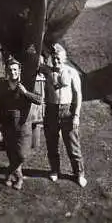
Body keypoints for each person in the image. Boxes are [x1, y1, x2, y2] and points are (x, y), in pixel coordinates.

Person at [42, 43, 87, 187]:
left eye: (59, 59)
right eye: (54, 58)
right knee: (52, 143)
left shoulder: (71, 72)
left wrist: (76, 115)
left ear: (65, 58)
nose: (56, 61)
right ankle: (55, 170)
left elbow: (78, 94)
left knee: (72, 144)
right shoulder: (47, 71)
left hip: (67, 111)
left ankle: (79, 173)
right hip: (51, 110)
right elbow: (35, 57)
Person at [0, 57, 43, 190]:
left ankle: (10, 173)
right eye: (10, 70)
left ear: (20, 71)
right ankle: (18, 176)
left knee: (22, 155)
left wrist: (26, 93)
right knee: (11, 153)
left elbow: (39, 100)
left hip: (24, 126)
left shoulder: (27, 83)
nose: (13, 72)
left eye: (15, 69)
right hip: (7, 126)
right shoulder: (3, 86)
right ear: (6, 71)